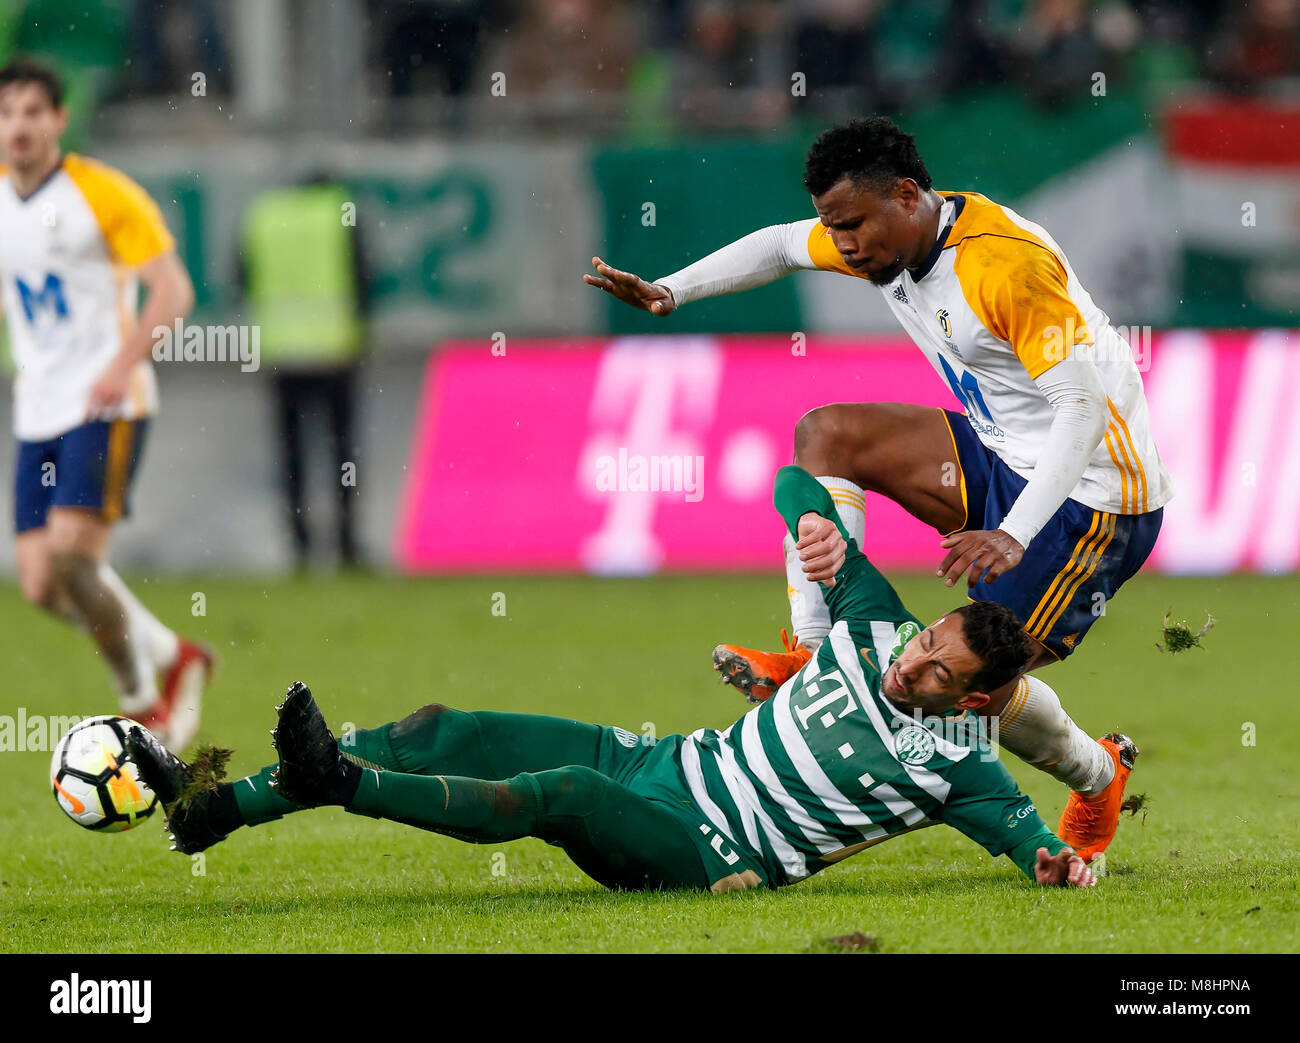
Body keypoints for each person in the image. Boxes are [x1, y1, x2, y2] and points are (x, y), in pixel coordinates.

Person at [582, 115, 1166, 864]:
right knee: (830, 434)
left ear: (908, 194)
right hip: (1002, 452)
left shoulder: (1003, 269)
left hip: (1091, 496)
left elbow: (1082, 410)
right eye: (836, 225)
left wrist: (1014, 530)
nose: (845, 243)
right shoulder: (882, 233)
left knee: (963, 682)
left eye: (853, 225)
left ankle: (1097, 774)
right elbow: (782, 245)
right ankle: (812, 653)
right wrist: (671, 291)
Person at [127, 464, 1103, 893]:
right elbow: (794, 479)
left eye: (938, 672)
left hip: (702, 845)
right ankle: (208, 808)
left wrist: (1056, 862)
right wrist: (807, 516)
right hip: (664, 763)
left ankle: (337, 780)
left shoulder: (961, 766)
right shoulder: (874, 624)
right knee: (444, 726)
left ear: (974, 701)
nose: (911, 665)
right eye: (923, 641)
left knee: (565, 795)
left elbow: (1033, 848)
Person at [0, 58, 212, 749]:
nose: (19, 126)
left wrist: (122, 367)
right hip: (37, 408)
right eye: (6, 113)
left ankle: (142, 699)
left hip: (106, 400)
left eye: (33, 111)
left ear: (60, 119)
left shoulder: (102, 193)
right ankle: (176, 652)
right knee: (40, 584)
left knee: (71, 557)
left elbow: (173, 291)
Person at [238, 175, 369, 569]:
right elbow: (362, 277)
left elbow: (241, 278)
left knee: (292, 454)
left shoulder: (263, 215)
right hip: (333, 349)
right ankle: (346, 544)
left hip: (282, 351)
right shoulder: (339, 212)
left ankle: (299, 546)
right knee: (342, 453)